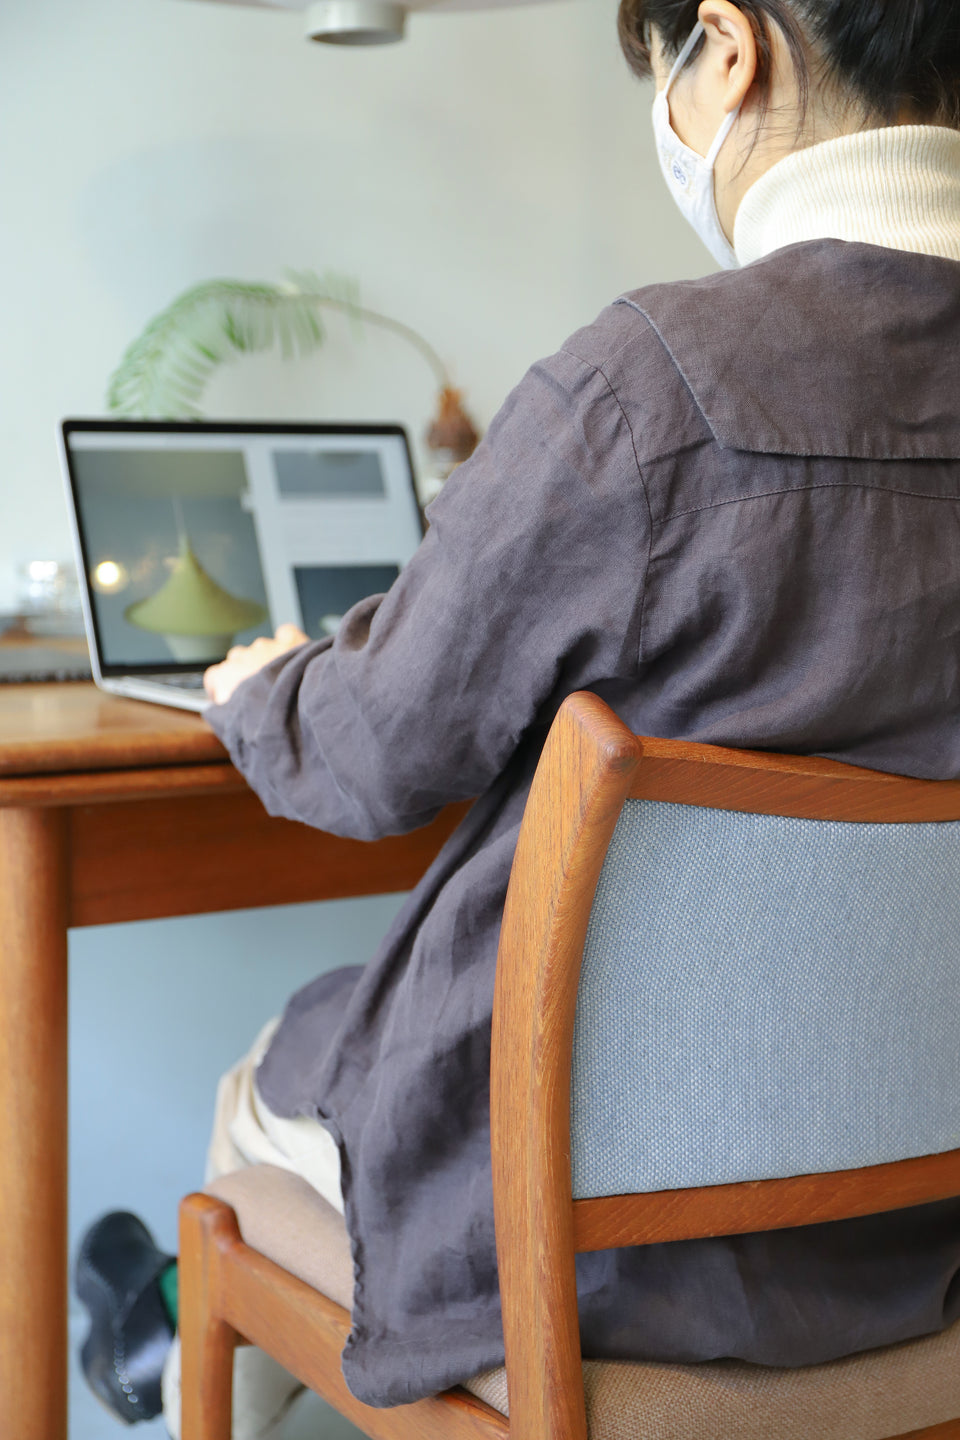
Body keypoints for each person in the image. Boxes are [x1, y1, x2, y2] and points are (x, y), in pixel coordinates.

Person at [76, 1, 960, 1435]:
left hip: (595, 1272)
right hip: (916, 1255)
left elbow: (375, 753)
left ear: (726, 51)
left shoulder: (652, 389)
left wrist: (265, 690)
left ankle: (173, 1337)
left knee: (270, 1085)